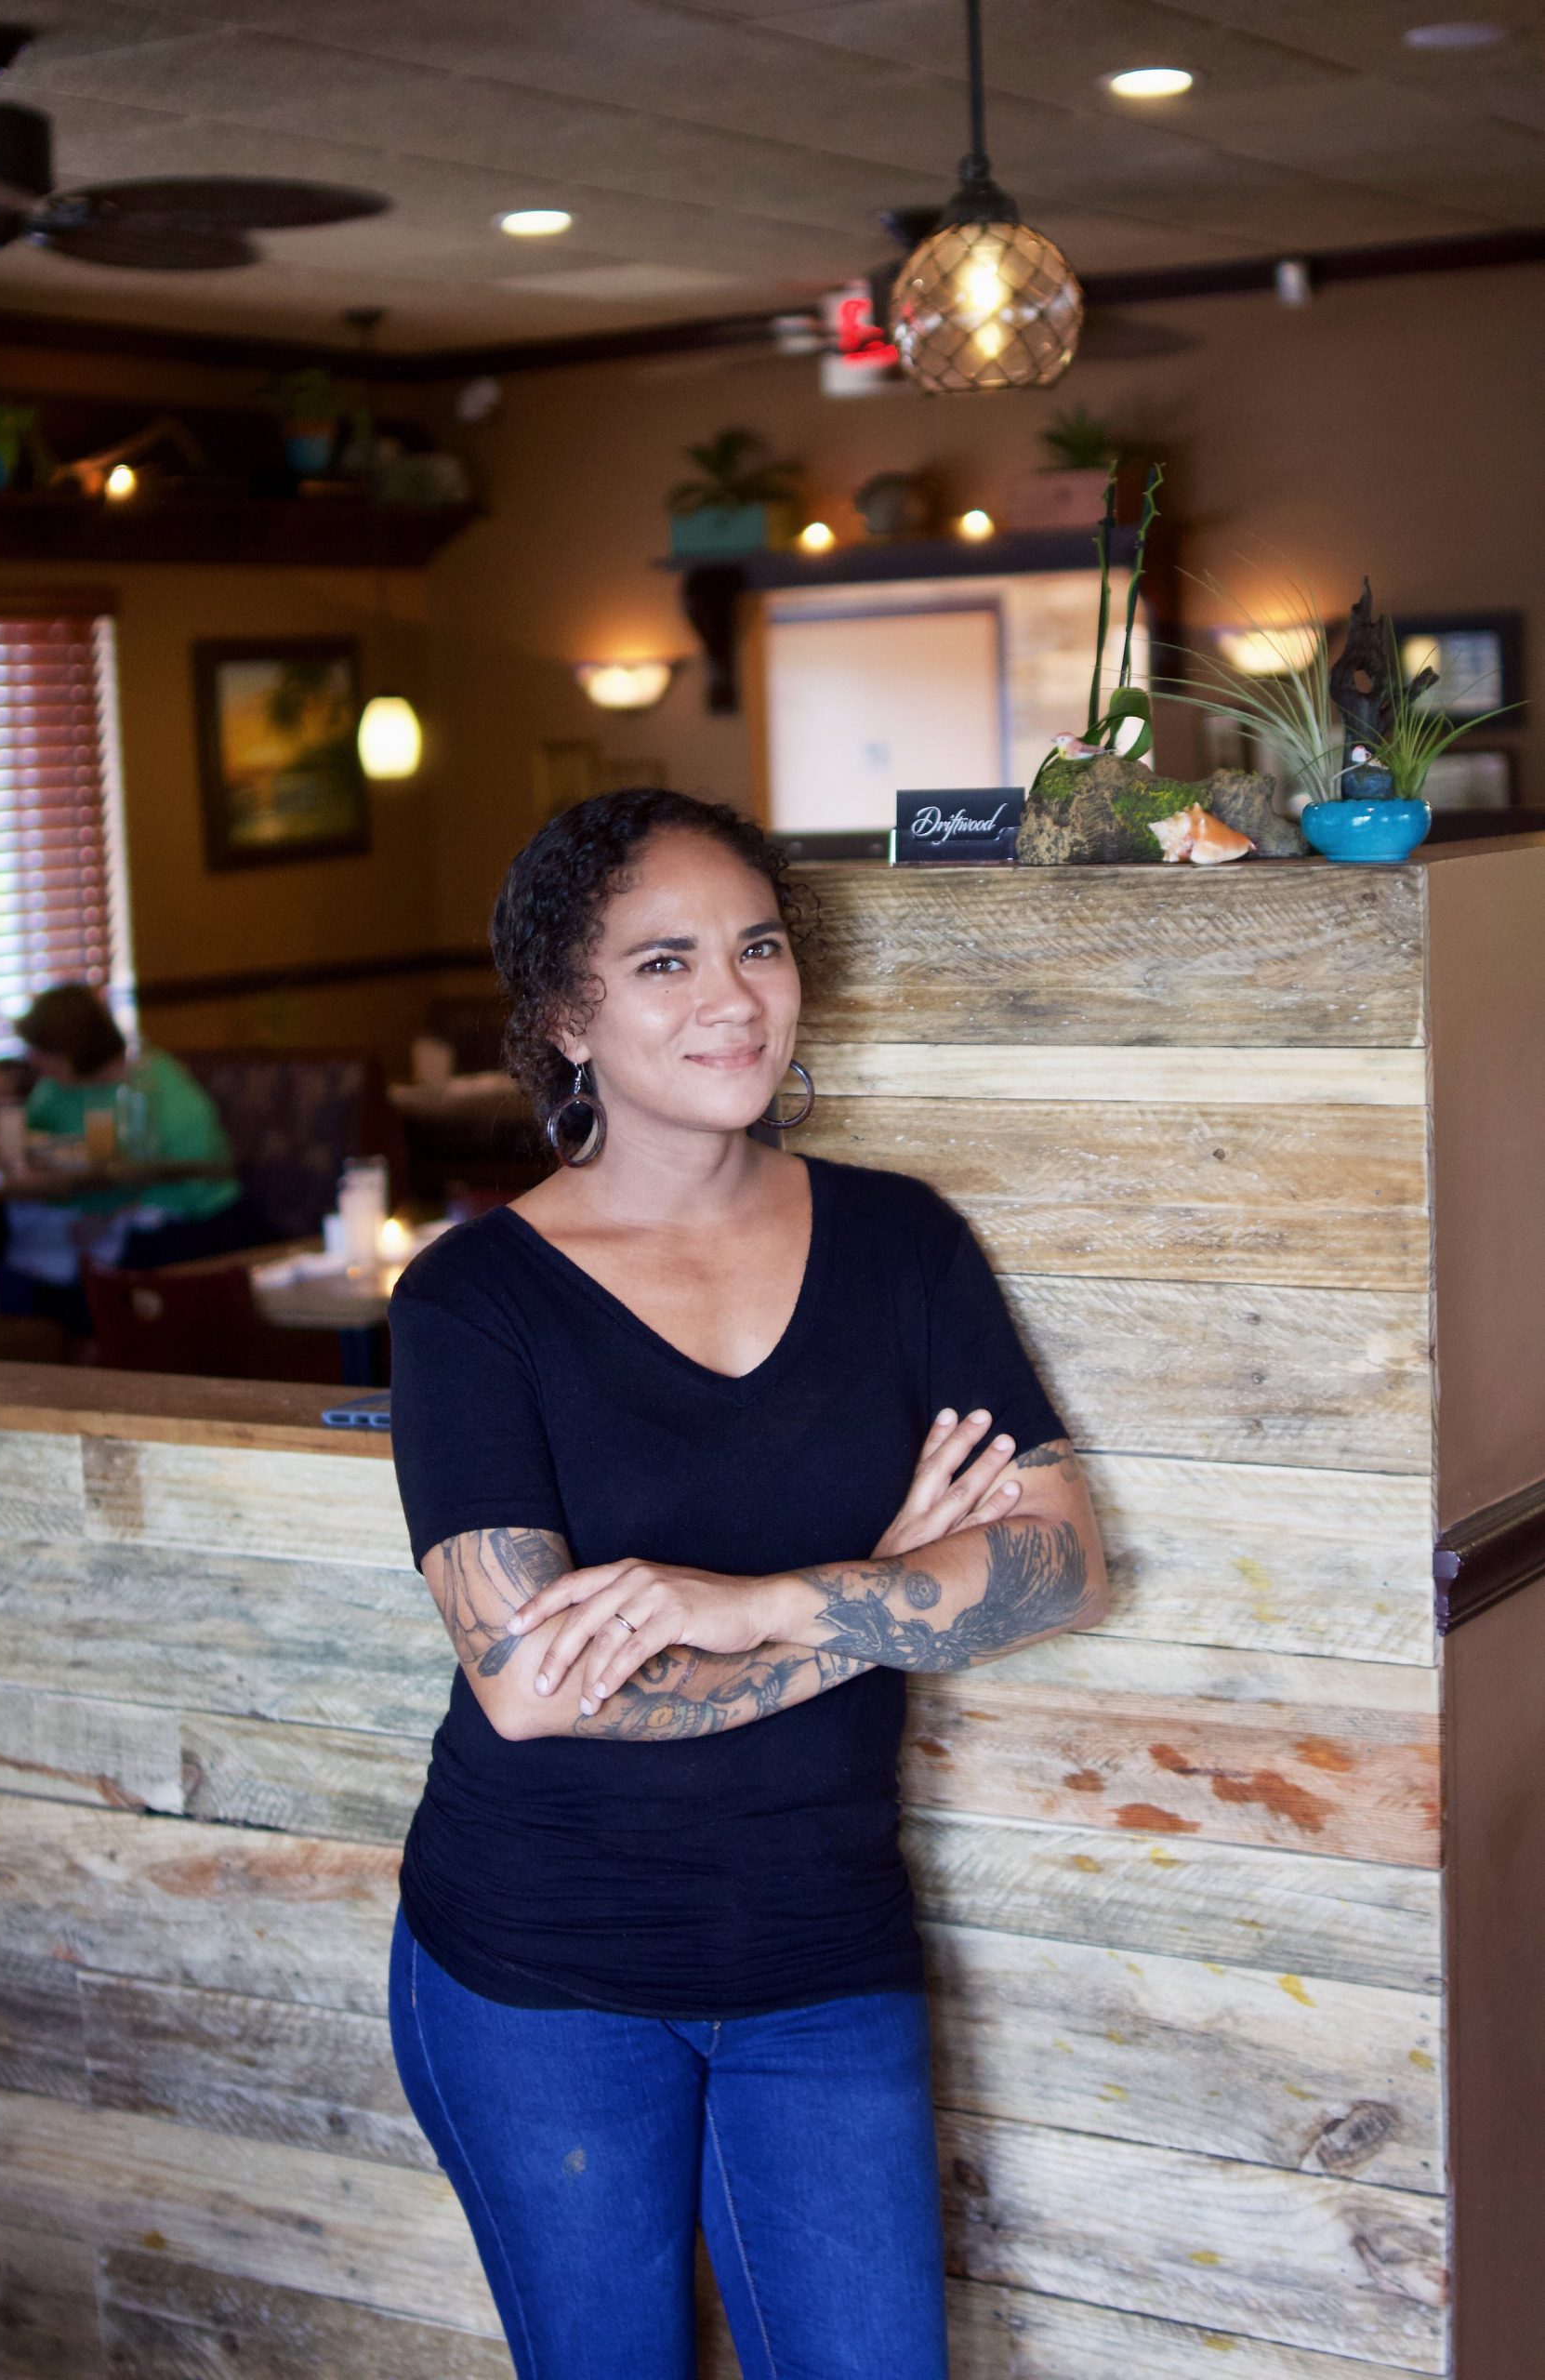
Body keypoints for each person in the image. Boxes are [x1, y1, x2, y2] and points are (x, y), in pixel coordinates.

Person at [385, 788, 1110, 2380]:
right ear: (565, 1020)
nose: (730, 997)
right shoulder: (471, 1305)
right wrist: (892, 1595)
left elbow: (1056, 1564)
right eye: (662, 963)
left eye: (757, 945)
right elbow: (535, 1686)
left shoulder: (903, 1242)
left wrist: (759, 1602)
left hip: (824, 1956)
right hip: (540, 1977)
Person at [0, 983, 260, 1333]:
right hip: (96, 1205)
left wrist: (113, 1212)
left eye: (45, 1052)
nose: (35, 1061)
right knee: (0, 1227)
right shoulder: (54, 1088)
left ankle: (94, 1351)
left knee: (111, 1253)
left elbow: (195, 1171)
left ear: (74, 1048)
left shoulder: (154, 1084)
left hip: (188, 1211)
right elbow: (31, 1147)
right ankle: (33, 1346)